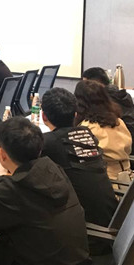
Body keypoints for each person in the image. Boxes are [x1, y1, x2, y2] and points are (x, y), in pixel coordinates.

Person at [0, 117, 91, 265]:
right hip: (77, 260)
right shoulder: (52, 169)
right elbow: (23, 185)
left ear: (2, 154)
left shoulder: (14, 192)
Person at [41, 87, 118, 255]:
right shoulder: (86, 133)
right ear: (75, 114)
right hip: (109, 225)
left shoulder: (48, 142)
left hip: (84, 237)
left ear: (43, 116)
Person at [74, 80, 132, 181]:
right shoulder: (118, 121)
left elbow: (81, 162)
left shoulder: (86, 129)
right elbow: (128, 150)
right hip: (128, 179)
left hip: (106, 181)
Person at [82, 66, 134, 155]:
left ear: (94, 84)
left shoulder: (104, 99)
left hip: (126, 151)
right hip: (133, 143)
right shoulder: (121, 95)